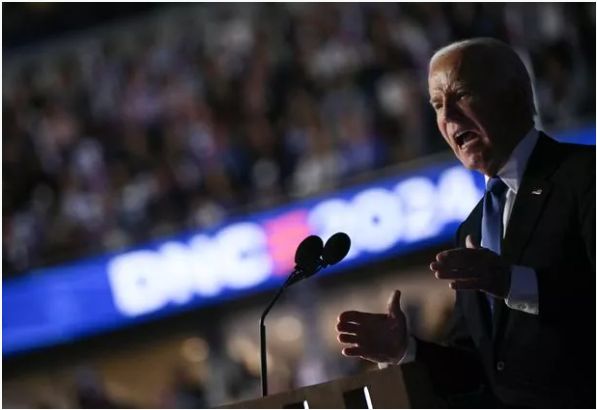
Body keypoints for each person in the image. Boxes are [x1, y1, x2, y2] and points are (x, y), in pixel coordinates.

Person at [336, 38, 595, 408]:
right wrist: (405, 350)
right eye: (438, 105)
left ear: (515, 93)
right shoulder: (472, 228)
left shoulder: (585, 175)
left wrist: (514, 283)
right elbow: (479, 370)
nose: (448, 117)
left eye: (461, 95)